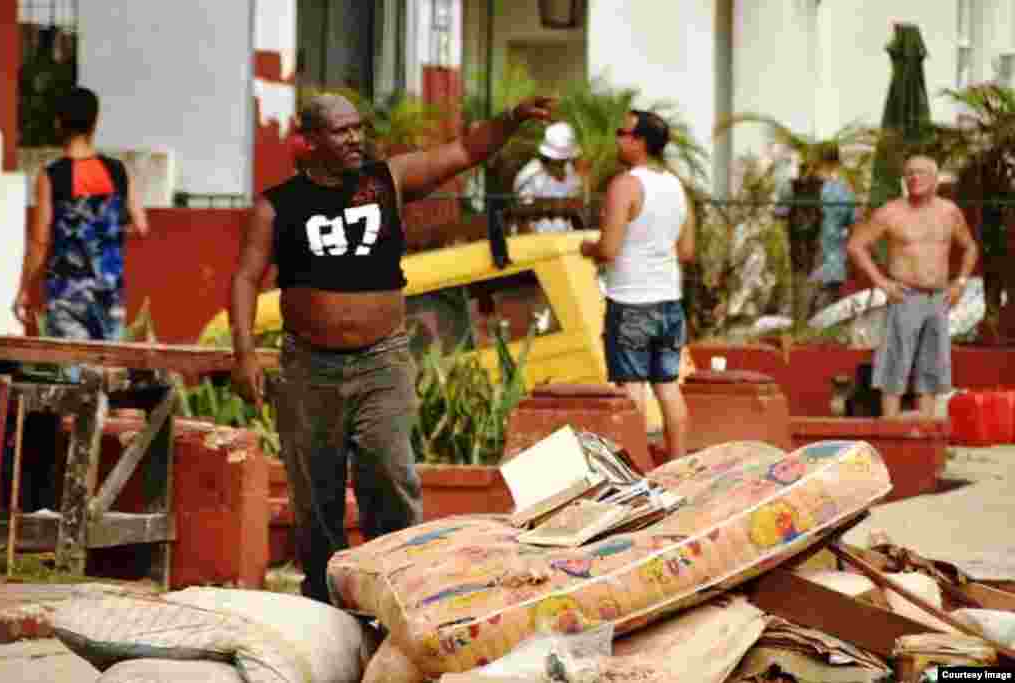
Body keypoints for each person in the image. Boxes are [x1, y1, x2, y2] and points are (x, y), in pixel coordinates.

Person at [230, 93, 555, 604]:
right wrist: (245, 354)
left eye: (358, 128)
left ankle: (400, 589)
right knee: (315, 494)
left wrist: (512, 118)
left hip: (381, 361)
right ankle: (326, 600)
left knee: (389, 473)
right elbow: (246, 278)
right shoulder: (277, 206)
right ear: (310, 140)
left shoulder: (387, 179)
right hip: (308, 368)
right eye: (341, 131)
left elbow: (464, 151)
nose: (355, 138)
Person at [580, 109, 695, 460]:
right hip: (669, 302)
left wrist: (588, 248)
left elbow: (609, 249)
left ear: (640, 141)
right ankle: (678, 466)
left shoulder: (626, 185)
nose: (617, 139)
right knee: (668, 388)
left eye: (623, 133)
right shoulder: (677, 187)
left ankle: (639, 469)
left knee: (632, 390)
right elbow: (686, 252)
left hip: (631, 302)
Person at [13, 86, 149, 342]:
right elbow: (141, 227)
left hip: (66, 296)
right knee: (107, 364)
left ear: (59, 123)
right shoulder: (118, 171)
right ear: (94, 123)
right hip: (109, 294)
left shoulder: (51, 176)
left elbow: (40, 241)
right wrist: (105, 235)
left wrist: (23, 290)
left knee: (71, 366)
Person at [847, 154, 978, 418]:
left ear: (935, 179)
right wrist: (882, 283)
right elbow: (856, 246)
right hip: (904, 296)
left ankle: (925, 429)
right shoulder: (891, 212)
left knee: (930, 371)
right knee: (894, 367)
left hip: (939, 298)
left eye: (920, 172)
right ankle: (890, 428)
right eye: (909, 173)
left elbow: (970, 247)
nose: (914, 178)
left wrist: (960, 283)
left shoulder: (949, 212)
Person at [809, 144, 858, 314]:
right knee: (826, 318)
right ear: (837, 163)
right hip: (833, 264)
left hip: (802, 264)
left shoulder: (801, 189)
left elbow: (780, 214)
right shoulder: (844, 191)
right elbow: (855, 227)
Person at [512, 121, 584, 233]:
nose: (563, 162)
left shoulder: (571, 172)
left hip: (567, 240)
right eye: (560, 160)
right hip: (535, 240)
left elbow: (575, 212)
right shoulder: (529, 176)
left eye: (565, 159)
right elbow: (523, 219)